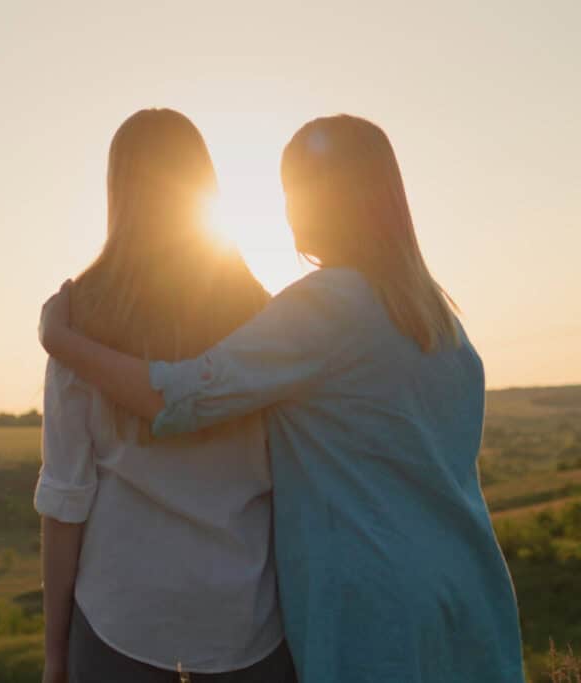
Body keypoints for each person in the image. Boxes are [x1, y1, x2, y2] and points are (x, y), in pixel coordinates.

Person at [38, 114, 526, 683]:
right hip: (466, 589)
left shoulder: (325, 307)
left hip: (371, 606)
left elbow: (181, 397)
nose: (288, 209)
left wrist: (63, 341)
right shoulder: (440, 320)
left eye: (296, 189)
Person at [34, 108, 297, 683]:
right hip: (246, 625)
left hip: (121, 623)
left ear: (116, 191)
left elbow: (66, 498)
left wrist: (55, 656)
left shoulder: (78, 319)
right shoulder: (262, 313)